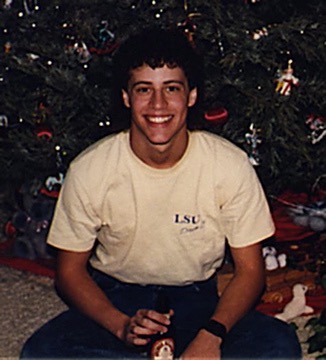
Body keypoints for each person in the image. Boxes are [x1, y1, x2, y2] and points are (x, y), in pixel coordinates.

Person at [20, 27, 301, 359]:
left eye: (171, 89)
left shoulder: (228, 165)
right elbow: (69, 272)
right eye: (143, 90)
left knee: (278, 347)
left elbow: (251, 272)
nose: (158, 105)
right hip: (116, 299)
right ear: (126, 97)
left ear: (191, 96)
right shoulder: (92, 169)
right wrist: (120, 326)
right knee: (43, 352)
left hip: (199, 302)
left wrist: (212, 336)